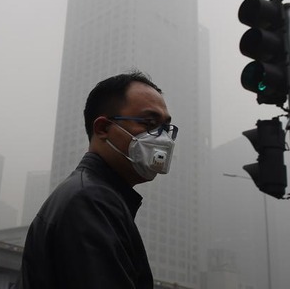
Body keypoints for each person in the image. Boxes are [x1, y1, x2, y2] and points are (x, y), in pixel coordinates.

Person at [19, 71, 177, 289]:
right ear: (103, 128)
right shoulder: (91, 201)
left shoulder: (94, 196)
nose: (163, 139)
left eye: (166, 128)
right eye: (149, 123)